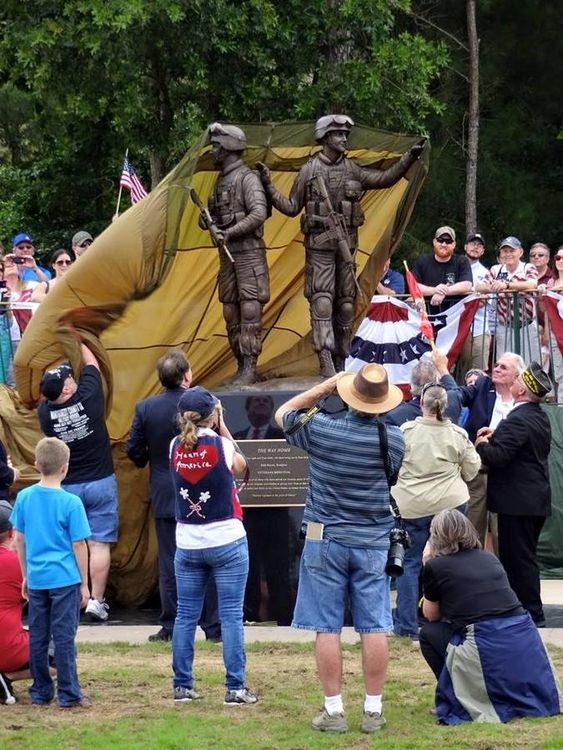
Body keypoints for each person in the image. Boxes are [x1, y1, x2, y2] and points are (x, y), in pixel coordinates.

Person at [275, 364, 405, 734]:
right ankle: (373, 710)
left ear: (349, 396)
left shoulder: (322, 429)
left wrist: (327, 387)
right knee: (375, 624)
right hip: (373, 540)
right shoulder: (394, 439)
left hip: (324, 537)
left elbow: (283, 414)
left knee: (326, 627)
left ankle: (334, 711)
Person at [258, 115, 424, 376]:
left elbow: (384, 179)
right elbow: (291, 207)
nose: (344, 139)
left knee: (346, 304)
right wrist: (268, 185)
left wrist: (408, 159)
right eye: (338, 135)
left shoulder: (352, 169)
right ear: (325, 137)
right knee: (322, 303)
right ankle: (325, 361)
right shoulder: (309, 171)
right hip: (319, 249)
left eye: (345, 135)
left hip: (347, 248)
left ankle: (341, 359)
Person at [420, 509, 561, 724]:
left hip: (486, 642)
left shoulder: (435, 566)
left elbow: (431, 616)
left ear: (435, 538)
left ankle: (456, 694)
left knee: (428, 633)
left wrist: (426, 564)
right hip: (524, 637)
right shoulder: (489, 558)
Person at [127, 349, 220, 642]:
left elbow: (133, 450)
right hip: (204, 491)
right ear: (187, 375)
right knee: (208, 556)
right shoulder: (202, 403)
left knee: (169, 562)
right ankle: (213, 627)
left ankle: (171, 624)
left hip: (167, 492)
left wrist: (150, 461)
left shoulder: (146, 408)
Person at [171, 387, 257, 705]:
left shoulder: (173, 446)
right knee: (231, 614)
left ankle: (182, 685)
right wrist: (222, 426)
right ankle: (235, 687)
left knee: (185, 615)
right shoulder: (221, 445)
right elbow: (241, 464)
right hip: (226, 538)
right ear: (214, 415)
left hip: (188, 541)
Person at [391, 383, 480, 643]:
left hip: (412, 507)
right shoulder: (458, 434)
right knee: (452, 560)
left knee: (409, 562)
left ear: (421, 403)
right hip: (449, 505)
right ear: (446, 406)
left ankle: (407, 625)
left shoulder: (405, 432)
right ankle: (451, 618)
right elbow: (472, 470)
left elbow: (391, 464)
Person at [37, 344, 118, 622]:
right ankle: (96, 601)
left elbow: (50, 395)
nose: (72, 378)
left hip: (67, 486)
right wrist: (79, 339)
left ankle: (73, 597)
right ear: (68, 390)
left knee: (71, 543)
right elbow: (93, 365)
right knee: (98, 543)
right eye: (68, 378)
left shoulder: (45, 415)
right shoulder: (89, 398)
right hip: (100, 483)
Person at [10, 437, 91, 708]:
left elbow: (19, 539)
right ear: (65, 468)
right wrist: (84, 583)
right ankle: (69, 692)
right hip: (65, 578)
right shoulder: (71, 503)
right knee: (64, 636)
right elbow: (79, 544)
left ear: (36, 464)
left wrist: (25, 574)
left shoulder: (23, 497)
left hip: (37, 578)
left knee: (38, 634)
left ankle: (41, 690)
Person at [475, 361, 552, 626]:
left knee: (518, 561)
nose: (514, 380)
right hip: (532, 500)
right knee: (523, 558)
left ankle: (530, 613)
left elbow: (499, 457)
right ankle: (525, 610)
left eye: (518, 378)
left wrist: (483, 445)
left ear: (521, 391)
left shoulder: (518, 419)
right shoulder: (537, 416)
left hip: (517, 503)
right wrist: (498, 434)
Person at [432, 348, 524, 549]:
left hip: (507, 474)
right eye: (496, 365)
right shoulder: (483, 385)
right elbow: (458, 394)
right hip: (477, 470)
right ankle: (472, 573)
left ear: (516, 377)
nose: (496, 369)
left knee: (504, 535)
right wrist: (444, 372)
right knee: (472, 529)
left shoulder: (522, 401)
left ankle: (502, 576)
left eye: (503, 367)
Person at [204, 123, 269, 385]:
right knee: (231, 312)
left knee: (250, 311)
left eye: (217, 145)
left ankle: (250, 368)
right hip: (227, 258)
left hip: (249, 256)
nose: (213, 151)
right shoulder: (220, 181)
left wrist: (230, 232)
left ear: (229, 147)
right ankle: (241, 366)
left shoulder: (247, 178)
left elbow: (258, 213)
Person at [233, 396, 291, 625]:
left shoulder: (284, 438)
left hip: (276, 515)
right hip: (246, 516)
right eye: (256, 402)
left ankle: (283, 617)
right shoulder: (235, 438)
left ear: (272, 408)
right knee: (248, 567)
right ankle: (249, 615)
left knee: (278, 567)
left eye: (266, 402)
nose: (261, 405)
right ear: (247, 409)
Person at [478, 236, 539, 363]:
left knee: (529, 366)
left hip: (526, 325)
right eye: (505, 251)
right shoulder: (496, 269)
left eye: (512, 251)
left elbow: (532, 284)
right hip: (504, 326)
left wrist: (506, 285)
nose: (508, 254)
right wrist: (494, 287)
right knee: (504, 365)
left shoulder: (528, 267)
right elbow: (479, 286)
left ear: (520, 252)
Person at [0, 500, 30, 705]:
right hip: (7, 648)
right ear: (12, 533)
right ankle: (7, 677)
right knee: (66, 652)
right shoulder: (16, 562)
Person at [412, 226, 472, 314]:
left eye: (448, 241)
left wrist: (444, 292)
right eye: (440, 240)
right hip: (426, 316)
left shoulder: (462, 261)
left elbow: (467, 285)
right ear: (434, 242)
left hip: (455, 318)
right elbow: (414, 286)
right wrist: (434, 290)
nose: (444, 244)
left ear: (454, 244)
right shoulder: (422, 261)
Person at [386, 359, 462, 426]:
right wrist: (443, 370)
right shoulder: (453, 402)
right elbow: (455, 392)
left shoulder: (395, 416)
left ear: (411, 384)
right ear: (437, 382)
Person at [458, 232, 491, 376]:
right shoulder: (455, 267)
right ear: (465, 247)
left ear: (483, 251)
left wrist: (465, 293)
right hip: (457, 324)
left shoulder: (486, 272)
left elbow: (483, 301)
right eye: (472, 243)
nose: (475, 247)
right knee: (460, 367)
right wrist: (474, 293)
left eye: (479, 245)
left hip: (480, 326)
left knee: (478, 370)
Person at [545, 245, 563, 403]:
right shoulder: (551, 281)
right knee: (559, 373)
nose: (561, 261)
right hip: (555, 332)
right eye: (558, 257)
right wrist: (545, 290)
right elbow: (546, 310)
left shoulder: (554, 286)